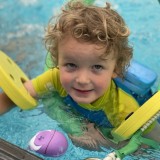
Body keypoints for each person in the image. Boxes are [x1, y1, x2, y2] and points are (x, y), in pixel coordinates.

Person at [0, 0, 160, 152]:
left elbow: (153, 145)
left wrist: (106, 143)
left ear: (115, 69)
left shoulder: (123, 109)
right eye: (71, 65)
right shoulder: (55, 77)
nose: (82, 80)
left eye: (97, 67)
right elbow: (19, 94)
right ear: (57, 60)